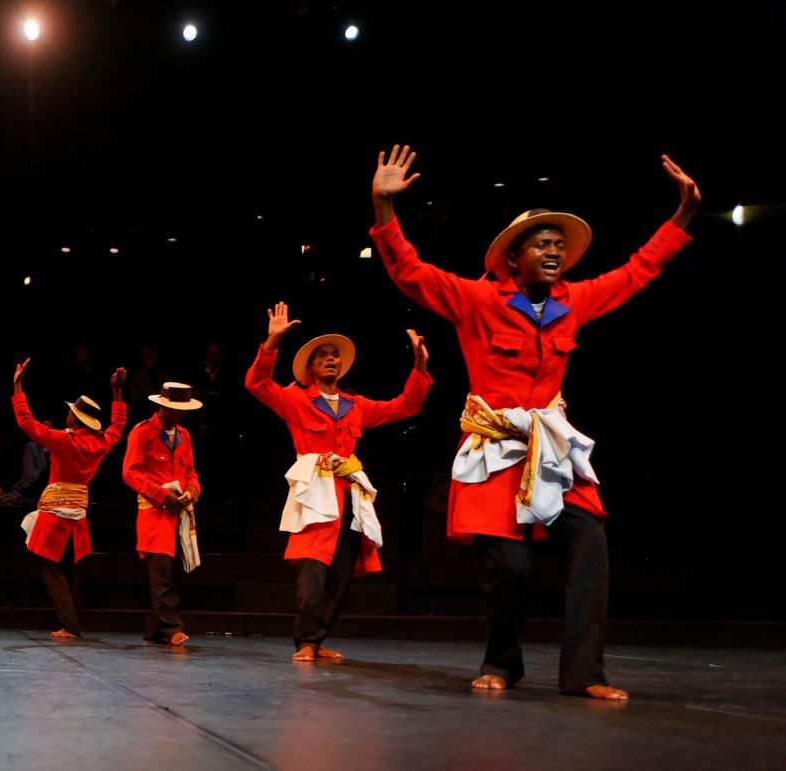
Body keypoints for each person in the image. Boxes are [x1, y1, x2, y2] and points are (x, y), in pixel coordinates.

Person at [369, 144, 701, 699]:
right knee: (510, 564)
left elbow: (639, 269)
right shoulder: (478, 299)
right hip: (497, 451)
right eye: (542, 244)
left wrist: (684, 213)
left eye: (559, 245)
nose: (554, 251)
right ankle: (502, 663)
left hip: (550, 451)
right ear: (514, 258)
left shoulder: (577, 300)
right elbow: (409, 271)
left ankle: (585, 675)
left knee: (591, 539)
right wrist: (384, 207)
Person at [245, 302, 430, 661]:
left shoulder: (355, 404)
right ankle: (307, 641)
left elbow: (406, 406)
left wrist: (420, 368)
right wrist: (271, 344)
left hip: (347, 497)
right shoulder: (296, 400)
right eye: (323, 356)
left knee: (341, 574)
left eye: (335, 356)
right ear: (310, 368)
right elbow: (256, 384)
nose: (331, 359)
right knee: (312, 567)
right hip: (314, 495)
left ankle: (320, 637)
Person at [12, 360, 127, 638]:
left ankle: (70, 626)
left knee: (52, 568)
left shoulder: (66, 440)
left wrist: (17, 386)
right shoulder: (100, 442)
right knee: (69, 567)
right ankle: (72, 624)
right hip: (78, 515)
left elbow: (27, 424)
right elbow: (118, 427)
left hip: (57, 514)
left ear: (75, 419)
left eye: (71, 413)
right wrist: (117, 393)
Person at [123, 383, 203, 646]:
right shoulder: (142, 432)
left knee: (173, 574)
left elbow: (190, 471)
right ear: (162, 406)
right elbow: (130, 472)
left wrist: (192, 490)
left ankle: (153, 631)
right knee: (162, 573)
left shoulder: (185, 435)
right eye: (175, 410)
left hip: (179, 515)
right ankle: (171, 628)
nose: (180, 415)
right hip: (154, 515)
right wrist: (159, 494)